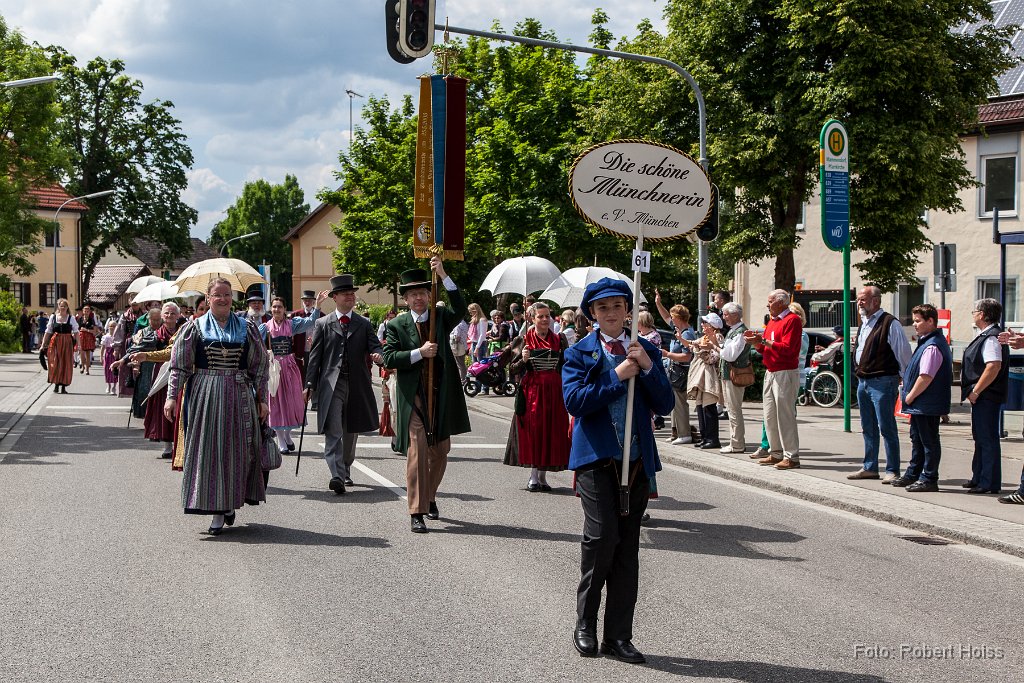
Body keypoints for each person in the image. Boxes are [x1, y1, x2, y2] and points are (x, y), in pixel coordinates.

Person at [563, 278, 673, 664]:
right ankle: (585, 624)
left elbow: (665, 404)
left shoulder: (645, 350)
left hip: (637, 460)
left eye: (617, 306)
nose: (610, 313)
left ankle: (619, 636)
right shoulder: (579, 353)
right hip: (596, 460)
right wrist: (617, 375)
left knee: (627, 547)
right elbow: (575, 402)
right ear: (592, 313)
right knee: (602, 537)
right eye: (602, 307)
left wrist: (647, 367)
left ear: (628, 310)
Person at [165, 278, 270, 536]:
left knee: (237, 452)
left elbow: (259, 367)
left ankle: (230, 502)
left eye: (227, 294)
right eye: (217, 295)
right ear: (208, 298)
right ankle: (217, 511)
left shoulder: (247, 327)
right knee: (210, 452)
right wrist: (171, 396)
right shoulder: (194, 327)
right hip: (206, 396)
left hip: (239, 395)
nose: (222, 299)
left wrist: (262, 399)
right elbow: (179, 366)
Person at [381, 257, 471, 533]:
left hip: (440, 394)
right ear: (406, 300)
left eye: (422, 293)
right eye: (413, 295)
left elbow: (461, 308)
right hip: (414, 397)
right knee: (417, 450)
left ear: (429, 296)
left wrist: (443, 275)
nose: (418, 298)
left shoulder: (440, 317)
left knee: (441, 450)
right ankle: (417, 511)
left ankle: (430, 495)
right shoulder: (397, 325)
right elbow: (389, 358)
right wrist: (419, 353)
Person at [303, 276, 382, 494]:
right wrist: (309, 384)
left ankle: (345, 466)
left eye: (352, 293)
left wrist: (379, 356)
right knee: (334, 429)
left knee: (350, 431)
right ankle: (336, 475)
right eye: (345, 294)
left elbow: (375, 346)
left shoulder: (363, 323)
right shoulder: (323, 324)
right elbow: (315, 358)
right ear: (334, 297)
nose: (350, 297)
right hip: (331, 385)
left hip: (356, 384)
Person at [847, 286, 911, 482]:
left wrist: (905, 380)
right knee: (868, 426)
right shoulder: (864, 322)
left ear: (875, 301)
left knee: (886, 426)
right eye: (858, 299)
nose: (859, 303)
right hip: (864, 381)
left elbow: (903, 354)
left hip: (883, 381)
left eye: (863, 299)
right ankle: (870, 467)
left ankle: (892, 469)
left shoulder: (890, 323)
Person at [504, 302, 570, 490]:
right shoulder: (524, 339)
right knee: (534, 432)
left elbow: (565, 365)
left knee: (551, 431)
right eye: (540, 316)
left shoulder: (559, 339)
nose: (545, 319)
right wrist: (523, 360)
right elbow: (512, 369)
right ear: (532, 319)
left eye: (547, 316)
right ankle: (533, 476)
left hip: (554, 390)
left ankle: (542, 476)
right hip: (533, 391)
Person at [889, 305, 952, 493]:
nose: (914, 325)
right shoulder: (927, 342)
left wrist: (909, 396)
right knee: (917, 439)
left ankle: (929, 478)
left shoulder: (933, 346)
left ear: (930, 321)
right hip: (922, 403)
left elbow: (926, 376)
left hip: (926, 403)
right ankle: (913, 473)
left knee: (928, 441)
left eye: (918, 321)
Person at [744, 289, 802, 470]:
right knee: (769, 416)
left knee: (785, 416)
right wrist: (756, 342)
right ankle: (776, 452)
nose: (767, 305)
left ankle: (791, 456)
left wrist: (762, 341)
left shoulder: (792, 320)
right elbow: (765, 349)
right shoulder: (773, 321)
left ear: (781, 302)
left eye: (770, 301)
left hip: (785, 372)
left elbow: (788, 349)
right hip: (771, 371)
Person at [262, 291, 327, 453]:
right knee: (276, 402)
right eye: (274, 307)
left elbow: (311, 321)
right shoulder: (266, 327)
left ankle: (287, 435)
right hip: (273, 369)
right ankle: (281, 440)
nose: (276, 309)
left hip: (290, 367)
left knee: (292, 402)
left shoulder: (292, 324)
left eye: (279, 307)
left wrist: (318, 305)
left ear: (285, 309)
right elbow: (253, 340)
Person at [961, 298, 1009, 495]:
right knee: (980, 437)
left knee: (987, 438)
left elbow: (993, 366)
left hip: (987, 395)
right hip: (983, 396)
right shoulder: (986, 335)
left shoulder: (991, 337)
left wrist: (976, 391)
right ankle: (979, 476)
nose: (973, 315)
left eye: (974, 311)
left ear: (982, 314)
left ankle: (988, 482)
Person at [141, 303, 182, 458]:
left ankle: (180, 444)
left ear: (178, 315)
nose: (169, 316)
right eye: (167, 313)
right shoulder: (155, 334)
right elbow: (140, 348)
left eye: (173, 313)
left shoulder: (184, 331)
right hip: (161, 372)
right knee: (163, 406)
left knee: (179, 406)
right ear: (162, 316)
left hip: (179, 372)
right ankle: (167, 446)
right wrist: (125, 360)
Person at [683, 312, 725, 449]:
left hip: (710, 376)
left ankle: (713, 439)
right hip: (702, 376)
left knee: (709, 407)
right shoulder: (704, 337)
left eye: (705, 323)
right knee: (701, 407)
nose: (702, 325)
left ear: (712, 326)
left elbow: (714, 358)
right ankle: (705, 437)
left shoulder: (717, 337)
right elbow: (692, 345)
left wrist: (700, 351)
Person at [718, 302, 751, 453]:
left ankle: (737, 444)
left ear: (735, 315)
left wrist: (716, 347)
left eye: (726, 314)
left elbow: (730, 356)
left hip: (734, 375)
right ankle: (735, 442)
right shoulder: (734, 331)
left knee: (734, 410)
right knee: (731, 410)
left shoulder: (740, 332)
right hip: (730, 375)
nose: (723, 317)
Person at [40, 299, 79, 394]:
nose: (63, 308)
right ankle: (56, 384)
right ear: (58, 307)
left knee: (66, 363)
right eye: (61, 306)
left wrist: (79, 345)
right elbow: (48, 332)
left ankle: (63, 386)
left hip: (67, 343)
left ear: (67, 307)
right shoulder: (53, 317)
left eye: (65, 306)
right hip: (55, 342)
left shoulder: (71, 318)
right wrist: (43, 344)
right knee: (55, 362)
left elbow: (76, 332)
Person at [291, 290, 319, 381]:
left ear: (314, 302)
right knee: (299, 376)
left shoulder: (321, 315)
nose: (307, 303)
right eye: (305, 300)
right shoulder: (295, 315)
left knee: (313, 376)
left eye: (309, 300)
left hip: (314, 351)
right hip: (299, 352)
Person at [75, 304, 101, 375]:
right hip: (81, 337)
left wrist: (87, 330)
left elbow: (94, 330)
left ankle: (87, 369)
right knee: (81, 353)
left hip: (88, 337)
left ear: (89, 312)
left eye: (87, 311)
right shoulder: (80, 319)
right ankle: (83, 367)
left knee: (88, 354)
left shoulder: (91, 320)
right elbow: (76, 329)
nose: (86, 312)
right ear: (83, 311)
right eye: (85, 311)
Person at [101, 319, 119, 394]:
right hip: (108, 355)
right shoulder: (106, 337)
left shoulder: (118, 336)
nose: (112, 328)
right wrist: (101, 356)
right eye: (111, 326)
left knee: (115, 370)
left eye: (114, 326)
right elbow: (103, 347)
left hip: (115, 354)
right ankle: (108, 386)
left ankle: (114, 387)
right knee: (107, 370)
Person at [450, 318, 470, 382]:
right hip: (463, 346)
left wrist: (451, 338)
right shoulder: (464, 324)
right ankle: (464, 378)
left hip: (458, 347)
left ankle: (463, 379)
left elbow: (457, 337)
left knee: (460, 364)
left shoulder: (458, 325)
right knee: (462, 364)